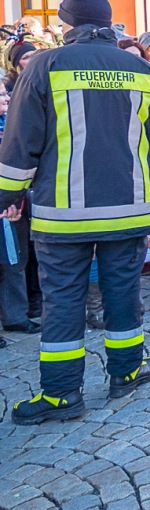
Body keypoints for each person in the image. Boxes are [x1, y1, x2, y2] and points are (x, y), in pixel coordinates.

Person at [0, 0, 150, 424]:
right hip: (129, 209)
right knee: (124, 294)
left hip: (63, 213)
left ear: (68, 25)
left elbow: (23, 137)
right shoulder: (141, 68)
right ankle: (128, 370)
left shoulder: (45, 64)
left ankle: (62, 394)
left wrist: (10, 195)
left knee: (63, 300)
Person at [0, 80, 37, 349]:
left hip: (13, 205)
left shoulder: (10, 127)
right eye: (1, 95)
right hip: (4, 205)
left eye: (5, 93)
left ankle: (15, 315)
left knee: (15, 262)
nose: (6, 98)